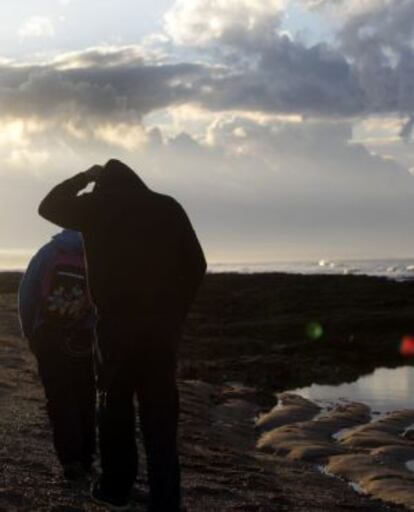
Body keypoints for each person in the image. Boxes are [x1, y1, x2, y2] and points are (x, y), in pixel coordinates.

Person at [38, 159, 207, 511]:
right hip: (160, 329)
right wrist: (176, 312)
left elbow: (48, 205)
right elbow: (197, 264)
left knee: (114, 410)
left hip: (115, 328)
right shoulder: (167, 206)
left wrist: (84, 176)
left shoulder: (97, 206)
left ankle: (115, 488)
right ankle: (166, 498)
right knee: (160, 416)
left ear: (103, 185)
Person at [18, 229, 96, 480]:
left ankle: (70, 460)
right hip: (83, 340)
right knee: (86, 397)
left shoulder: (48, 252)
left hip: (48, 335)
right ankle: (86, 458)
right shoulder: (98, 251)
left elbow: (27, 293)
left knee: (59, 398)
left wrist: (30, 331)